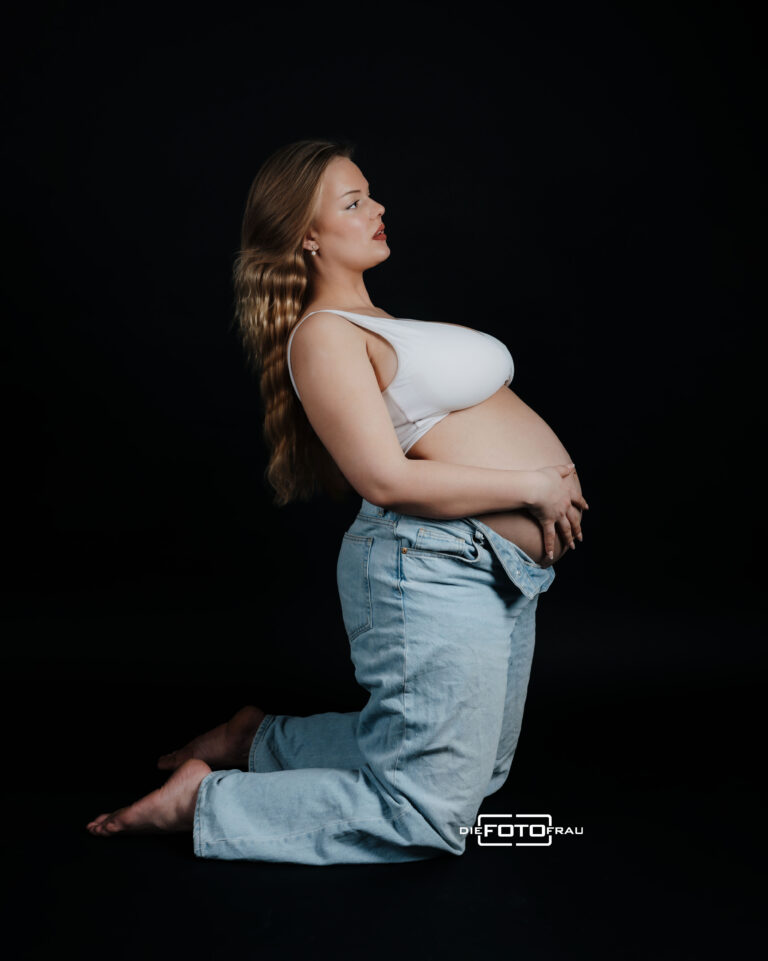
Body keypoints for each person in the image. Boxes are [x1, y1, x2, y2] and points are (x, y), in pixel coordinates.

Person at [86, 139, 589, 864]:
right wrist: (533, 484)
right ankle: (206, 802)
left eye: (370, 194)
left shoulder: (378, 321)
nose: (378, 208)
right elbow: (381, 479)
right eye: (352, 203)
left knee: (483, 775)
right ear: (307, 236)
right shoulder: (322, 336)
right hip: (433, 564)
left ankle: (258, 741)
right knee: (428, 813)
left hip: (492, 567)